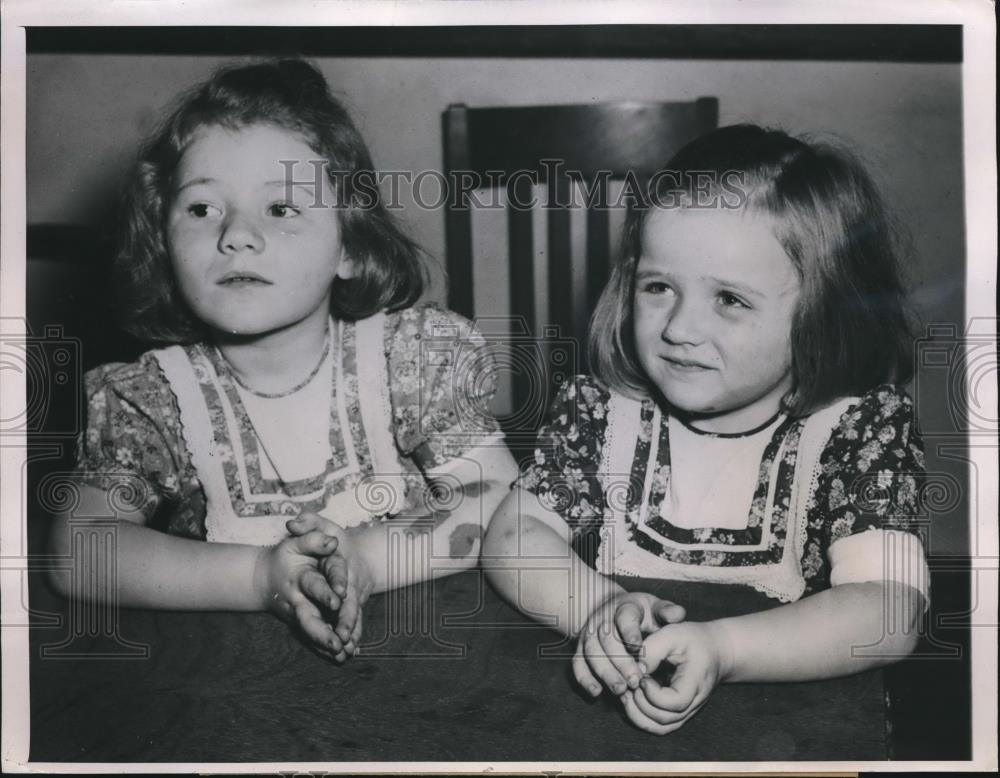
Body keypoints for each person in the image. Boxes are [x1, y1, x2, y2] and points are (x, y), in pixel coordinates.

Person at [48, 58, 516, 663]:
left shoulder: (410, 362)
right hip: (232, 690)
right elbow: (78, 551)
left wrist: (366, 558)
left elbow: (503, 496)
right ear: (163, 248)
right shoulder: (154, 399)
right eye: (201, 209)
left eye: (281, 209)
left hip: (426, 660)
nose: (237, 234)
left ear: (348, 247)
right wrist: (259, 578)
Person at [484, 124, 929, 734]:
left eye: (729, 300)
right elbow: (512, 534)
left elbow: (889, 612)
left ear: (822, 313)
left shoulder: (859, 431)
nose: (678, 328)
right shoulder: (602, 411)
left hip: (784, 725)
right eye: (659, 287)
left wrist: (724, 651)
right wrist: (599, 607)